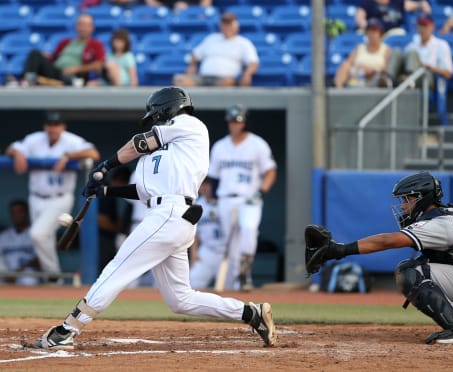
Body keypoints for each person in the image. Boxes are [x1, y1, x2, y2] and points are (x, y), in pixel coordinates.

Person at [33, 86, 277, 350]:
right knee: (180, 299)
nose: (153, 118)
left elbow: (141, 142)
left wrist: (107, 165)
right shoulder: (164, 155)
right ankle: (251, 313)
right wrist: (105, 190)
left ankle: (67, 330)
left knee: (117, 269)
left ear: (167, 108)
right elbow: (145, 191)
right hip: (166, 215)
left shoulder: (190, 125)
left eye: (156, 113)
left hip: (170, 214)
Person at [305, 171, 453, 345]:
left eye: (407, 199)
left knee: (410, 272)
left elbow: (387, 241)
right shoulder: (450, 213)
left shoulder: (439, 224)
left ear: (423, 198)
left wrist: (339, 250)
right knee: (426, 263)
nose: (403, 206)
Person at [5, 111, 100, 283]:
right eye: (50, 125)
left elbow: (94, 154)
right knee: (43, 238)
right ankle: (55, 280)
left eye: (56, 125)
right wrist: (17, 154)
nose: (53, 128)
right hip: (36, 198)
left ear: (62, 127)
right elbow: (12, 147)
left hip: (59, 199)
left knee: (37, 234)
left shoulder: (71, 141)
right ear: (45, 126)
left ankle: (53, 276)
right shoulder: (34, 139)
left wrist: (68, 155)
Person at [208, 104, 277, 291]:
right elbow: (213, 179)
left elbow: (270, 171)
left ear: (245, 122)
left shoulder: (257, 144)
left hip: (249, 199)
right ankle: (237, 282)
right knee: (230, 244)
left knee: (249, 230)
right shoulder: (220, 146)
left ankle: (244, 274)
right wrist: (213, 203)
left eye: (237, 121)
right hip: (225, 199)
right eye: (231, 121)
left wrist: (260, 192)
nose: (234, 125)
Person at [173, 12, 259, 87]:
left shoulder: (243, 43)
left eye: (229, 24)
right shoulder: (211, 38)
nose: (226, 27)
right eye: (224, 24)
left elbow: (253, 62)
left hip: (224, 79)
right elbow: (195, 55)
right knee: (180, 80)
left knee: (228, 83)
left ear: (236, 26)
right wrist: (192, 65)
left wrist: (247, 74)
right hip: (203, 77)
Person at [21, 13, 106, 87]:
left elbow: (98, 65)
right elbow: (55, 58)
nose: (82, 28)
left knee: (71, 80)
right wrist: (46, 57)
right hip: (57, 71)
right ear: (76, 26)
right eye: (80, 24)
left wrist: (76, 69)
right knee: (35, 54)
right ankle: (28, 82)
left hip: (74, 75)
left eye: (86, 25)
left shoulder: (96, 44)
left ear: (91, 28)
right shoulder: (65, 42)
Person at [386, 14, 453, 87]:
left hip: (428, 76)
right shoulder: (412, 45)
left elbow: (448, 73)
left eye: (425, 26)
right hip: (407, 75)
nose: (422, 29)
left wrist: (430, 67)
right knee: (397, 51)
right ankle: (388, 80)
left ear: (432, 27)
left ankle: (409, 80)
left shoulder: (441, 45)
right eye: (420, 25)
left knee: (413, 54)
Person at [189, 178, 225, 289]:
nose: (204, 188)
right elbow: (194, 233)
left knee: (233, 287)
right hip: (208, 251)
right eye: (202, 185)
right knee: (192, 282)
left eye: (207, 185)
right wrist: (194, 254)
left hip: (227, 253)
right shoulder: (197, 205)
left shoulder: (226, 203)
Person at [334, 18, 392, 88]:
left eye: (374, 31)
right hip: (358, 78)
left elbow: (388, 69)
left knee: (380, 78)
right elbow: (348, 63)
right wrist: (360, 70)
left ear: (380, 33)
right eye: (369, 31)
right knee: (345, 66)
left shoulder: (386, 50)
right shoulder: (359, 48)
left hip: (376, 79)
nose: (371, 34)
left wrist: (373, 71)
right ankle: (339, 89)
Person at [97, 166, 131, 275]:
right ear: (121, 180)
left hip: (108, 238)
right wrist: (120, 230)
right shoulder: (106, 191)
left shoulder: (108, 190)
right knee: (106, 270)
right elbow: (102, 221)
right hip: (102, 238)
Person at [0, 199, 40, 286]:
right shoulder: (3, 236)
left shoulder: (35, 234)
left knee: (29, 279)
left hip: (26, 271)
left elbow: (41, 260)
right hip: (6, 272)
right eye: (13, 213)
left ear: (26, 213)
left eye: (19, 212)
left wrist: (20, 270)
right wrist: (8, 273)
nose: (16, 215)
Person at [356, 0, 431, 36]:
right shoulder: (368, 2)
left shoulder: (397, 2)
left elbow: (410, 5)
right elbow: (360, 17)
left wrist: (421, 4)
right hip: (374, 32)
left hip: (391, 32)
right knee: (359, 34)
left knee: (400, 32)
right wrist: (367, 27)